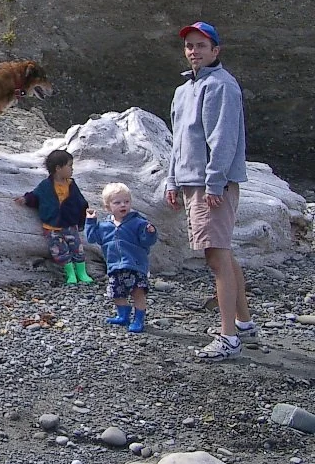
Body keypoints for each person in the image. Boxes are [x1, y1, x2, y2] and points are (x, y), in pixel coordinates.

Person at [165, 21, 255, 360]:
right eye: (189, 45)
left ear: (215, 51)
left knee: (216, 256)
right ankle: (243, 323)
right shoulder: (183, 90)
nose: (193, 51)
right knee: (223, 252)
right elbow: (179, 142)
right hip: (191, 182)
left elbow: (223, 139)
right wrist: (173, 181)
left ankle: (228, 336)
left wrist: (214, 182)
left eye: (201, 45)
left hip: (210, 185)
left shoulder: (221, 86)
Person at [85, 183, 158, 333]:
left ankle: (138, 319)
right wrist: (91, 221)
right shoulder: (105, 226)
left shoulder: (138, 222)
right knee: (116, 292)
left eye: (126, 201)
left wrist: (150, 233)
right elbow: (92, 238)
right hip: (114, 266)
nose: (122, 205)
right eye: (117, 202)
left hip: (135, 265)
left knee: (138, 292)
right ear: (108, 206)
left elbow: (147, 241)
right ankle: (123, 315)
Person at [15, 149, 92, 285]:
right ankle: (70, 274)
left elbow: (80, 202)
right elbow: (36, 196)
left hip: (70, 224)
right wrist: (26, 199)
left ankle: (82, 272)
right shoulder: (46, 185)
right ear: (58, 168)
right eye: (69, 166)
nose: (72, 169)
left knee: (77, 249)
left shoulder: (71, 185)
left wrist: (82, 219)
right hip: (51, 227)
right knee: (59, 251)